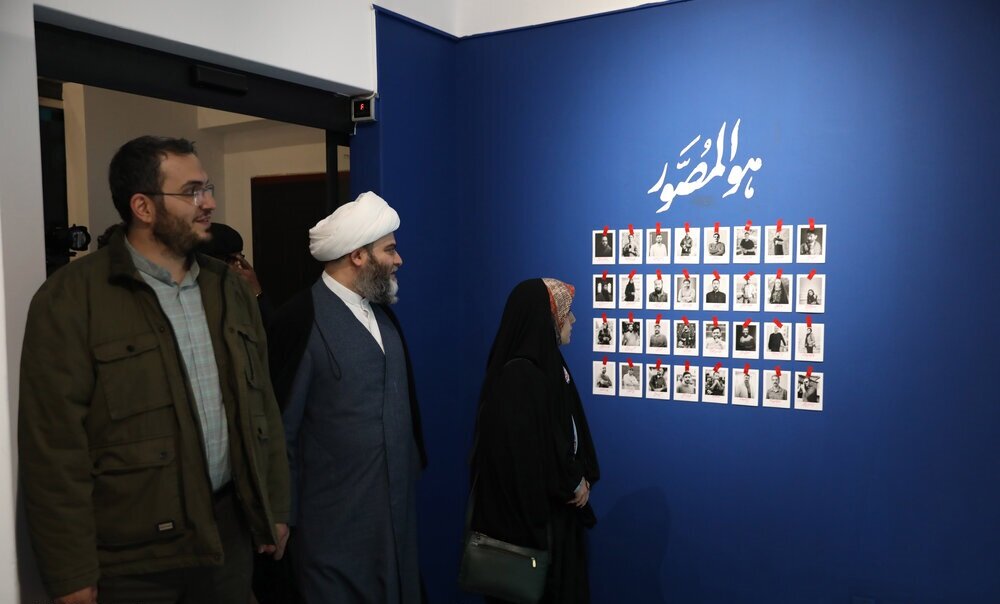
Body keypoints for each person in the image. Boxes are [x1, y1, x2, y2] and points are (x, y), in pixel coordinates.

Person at [19, 136, 290, 604]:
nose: (209, 203)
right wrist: (69, 572)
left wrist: (275, 507)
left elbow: (261, 403)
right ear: (143, 207)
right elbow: (53, 447)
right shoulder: (72, 298)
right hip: (132, 559)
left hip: (228, 539)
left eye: (207, 188)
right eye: (192, 192)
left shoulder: (229, 289)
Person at [271, 191, 427, 604]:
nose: (399, 260)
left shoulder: (383, 315)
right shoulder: (299, 319)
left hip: (392, 517)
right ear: (358, 255)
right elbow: (281, 430)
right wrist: (280, 513)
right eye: (389, 249)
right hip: (332, 528)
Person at [471, 278, 600, 604]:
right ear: (546, 319)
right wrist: (570, 482)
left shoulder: (550, 365)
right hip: (533, 534)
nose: (573, 320)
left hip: (558, 524)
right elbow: (528, 459)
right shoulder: (518, 378)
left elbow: (567, 430)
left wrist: (580, 476)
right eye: (566, 313)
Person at [199, 222, 273, 327]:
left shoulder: (237, 290)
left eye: (240, 258)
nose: (238, 266)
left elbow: (272, 329)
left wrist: (256, 292)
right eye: (231, 260)